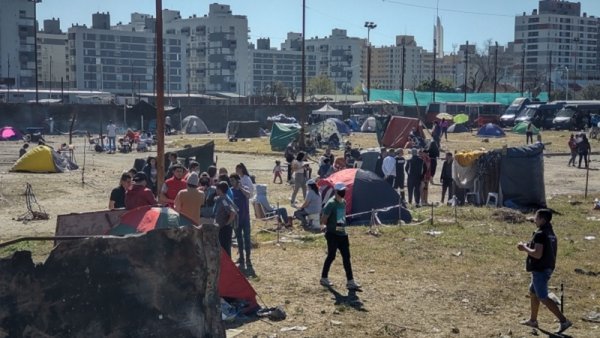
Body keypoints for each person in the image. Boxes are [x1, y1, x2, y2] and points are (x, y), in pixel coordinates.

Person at [517, 209, 572, 334]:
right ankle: (533, 320)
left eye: (536, 217)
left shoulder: (540, 234)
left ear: (543, 219)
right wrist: (530, 245)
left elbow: (537, 254)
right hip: (547, 267)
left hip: (540, 269)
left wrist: (523, 248)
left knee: (543, 297)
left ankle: (564, 321)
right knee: (533, 292)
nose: (534, 219)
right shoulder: (550, 232)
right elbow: (542, 248)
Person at [319, 182, 361, 290]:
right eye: (342, 191)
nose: (344, 192)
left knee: (346, 257)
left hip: (342, 233)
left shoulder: (343, 202)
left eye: (344, 190)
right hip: (332, 234)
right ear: (336, 191)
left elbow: (342, 217)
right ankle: (324, 278)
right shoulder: (331, 203)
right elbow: (324, 219)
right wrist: (325, 228)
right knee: (331, 256)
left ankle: (350, 281)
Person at [230, 174, 252, 269]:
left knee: (247, 238)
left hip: (245, 218)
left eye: (233, 180)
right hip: (236, 219)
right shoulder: (231, 191)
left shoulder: (244, 188)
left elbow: (248, 195)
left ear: (238, 181)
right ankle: (241, 258)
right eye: (230, 181)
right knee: (239, 239)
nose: (232, 183)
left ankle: (248, 258)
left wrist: (241, 188)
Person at [214, 181, 237, 258]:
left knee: (225, 249)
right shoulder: (223, 198)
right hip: (222, 228)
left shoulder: (224, 200)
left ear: (220, 190)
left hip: (224, 229)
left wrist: (227, 224)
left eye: (217, 189)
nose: (216, 190)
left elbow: (232, 213)